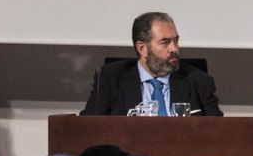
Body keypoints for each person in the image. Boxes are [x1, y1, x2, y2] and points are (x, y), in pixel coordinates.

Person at [80, 12, 222, 116]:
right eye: (165, 42)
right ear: (142, 48)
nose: (174, 48)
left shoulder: (199, 81)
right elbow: (89, 127)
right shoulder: (111, 79)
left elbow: (218, 132)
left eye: (176, 41)